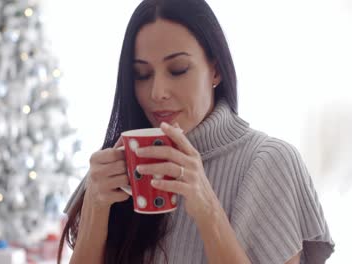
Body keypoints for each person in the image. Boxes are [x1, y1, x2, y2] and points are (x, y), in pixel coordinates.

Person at [58, 0, 334, 263]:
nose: (157, 93)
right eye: (142, 75)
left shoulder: (269, 161)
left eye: (178, 70)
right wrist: (95, 207)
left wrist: (207, 208)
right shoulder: (117, 163)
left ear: (215, 70)